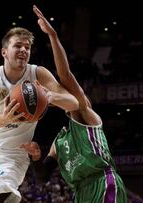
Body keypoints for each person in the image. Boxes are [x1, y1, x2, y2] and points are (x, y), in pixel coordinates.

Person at [0, 20, 79, 203]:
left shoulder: (38, 74)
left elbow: (73, 103)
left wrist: (50, 96)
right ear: (4, 51)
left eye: (27, 47)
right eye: (17, 45)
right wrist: (6, 118)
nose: (24, 50)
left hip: (13, 155)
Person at [20, 5, 128, 203]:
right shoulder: (58, 142)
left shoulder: (87, 115)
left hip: (103, 182)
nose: (76, 97)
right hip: (79, 193)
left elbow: (65, 75)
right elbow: (43, 176)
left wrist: (53, 36)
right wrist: (35, 157)